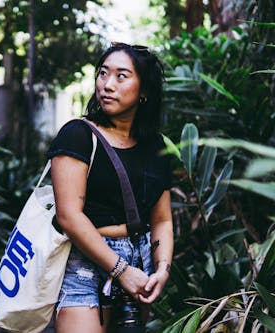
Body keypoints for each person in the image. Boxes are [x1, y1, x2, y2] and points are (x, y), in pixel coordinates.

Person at [47, 42, 173, 332]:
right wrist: (121, 270)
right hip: (86, 259)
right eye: (103, 74)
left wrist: (162, 270)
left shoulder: (156, 145)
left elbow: (162, 219)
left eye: (121, 76)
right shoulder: (77, 135)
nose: (107, 84)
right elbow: (69, 216)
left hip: (140, 260)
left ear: (144, 92)